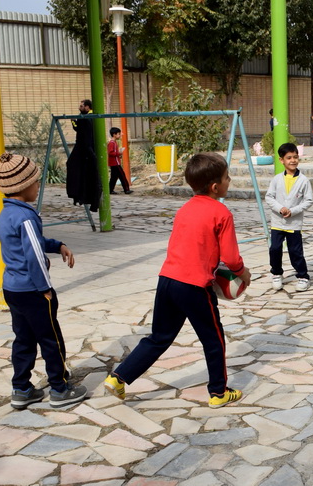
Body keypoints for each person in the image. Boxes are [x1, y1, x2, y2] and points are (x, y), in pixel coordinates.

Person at [104, 153, 250, 408]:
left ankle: (118, 378)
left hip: (167, 281)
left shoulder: (184, 209)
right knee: (213, 340)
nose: (230, 180)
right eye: (227, 177)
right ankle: (218, 392)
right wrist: (242, 273)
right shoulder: (221, 212)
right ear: (216, 186)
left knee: (159, 337)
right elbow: (231, 256)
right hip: (195, 287)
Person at [0, 152, 88, 409]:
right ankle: (60, 388)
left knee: (23, 339)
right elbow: (35, 256)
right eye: (36, 182)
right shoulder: (26, 217)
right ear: (24, 186)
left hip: (13, 289)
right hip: (33, 291)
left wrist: (58, 245)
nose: (38, 187)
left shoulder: (8, 213)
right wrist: (45, 289)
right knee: (51, 339)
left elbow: (32, 243)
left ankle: (21, 388)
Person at [266, 143, 313, 292]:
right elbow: (269, 197)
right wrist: (280, 208)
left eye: (295, 157)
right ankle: (276, 273)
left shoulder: (304, 181)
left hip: (293, 223)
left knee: (295, 251)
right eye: (289, 158)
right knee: (274, 249)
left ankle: (303, 276)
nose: (292, 160)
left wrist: (292, 211)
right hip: (277, 223)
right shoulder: (276, 179)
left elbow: (308, 200)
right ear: (281, 160)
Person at [107, 127, 132, 195]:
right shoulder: (112, 143)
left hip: (114, 162)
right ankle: (126, 189)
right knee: (122, 176)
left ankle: (110, 189)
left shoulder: (113, 142)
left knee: (114, 177)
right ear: (114, 134)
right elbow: (110, 152)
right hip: (115, 163)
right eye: (119, 134)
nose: (120, 135)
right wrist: (119, 153)